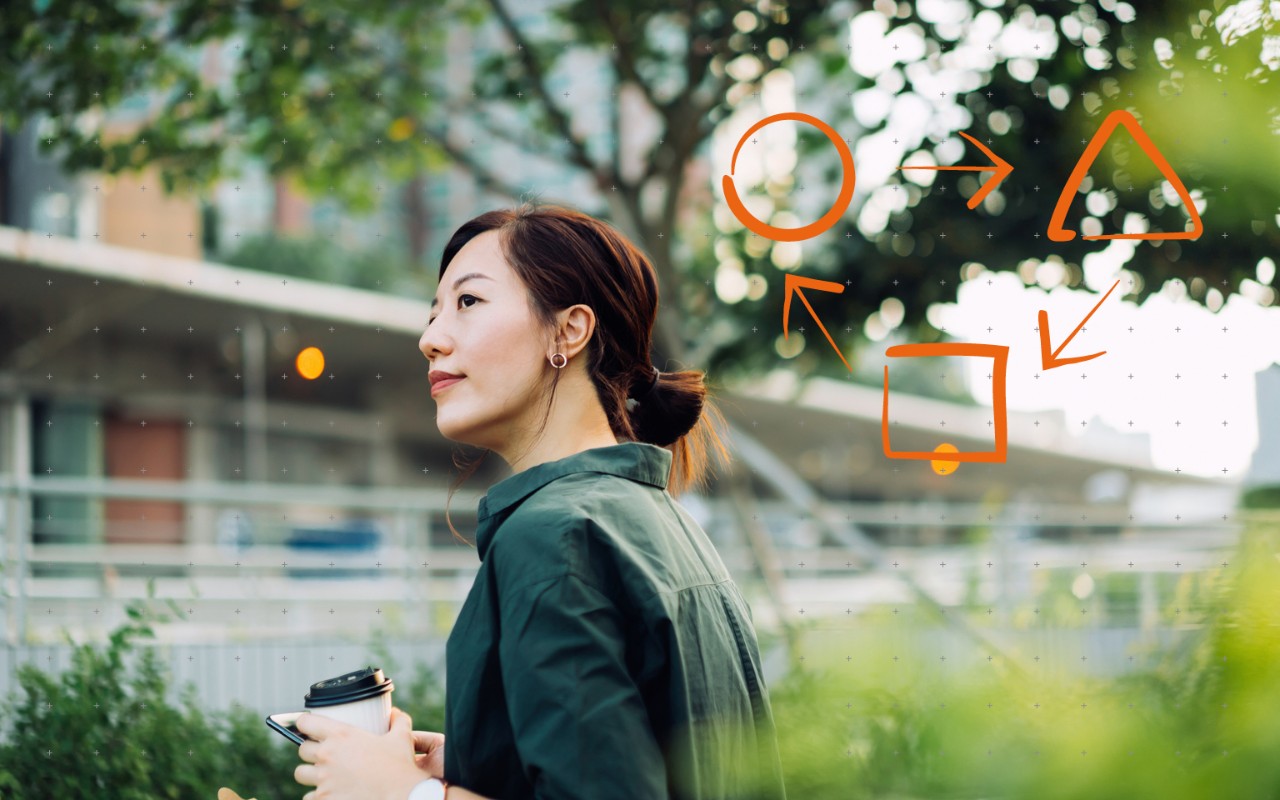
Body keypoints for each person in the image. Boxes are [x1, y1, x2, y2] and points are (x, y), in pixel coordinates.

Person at [293, 203, 787, 800]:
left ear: (569, 330)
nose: (430, 339)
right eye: (433, 312)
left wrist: (404, 795)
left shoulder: (554, 536)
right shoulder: (662, 524)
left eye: (468, 303)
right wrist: (478, 761)